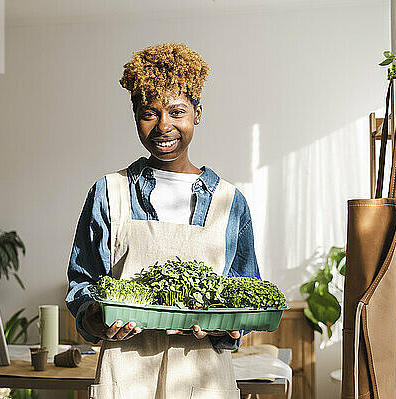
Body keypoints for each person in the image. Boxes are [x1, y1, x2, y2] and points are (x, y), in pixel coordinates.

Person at [66, 43, 260, 399]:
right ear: (136, 117)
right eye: (149, 113)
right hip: (124, 375)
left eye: (177, 111)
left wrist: (227, 329)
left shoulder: (230, 203)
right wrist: (98, 319)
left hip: (204, 381)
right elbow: (83, 286)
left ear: (197, 113)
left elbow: (244, 296)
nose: (163, 126)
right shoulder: (109, 192)